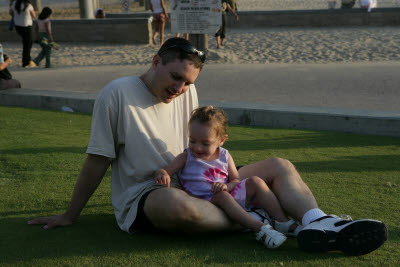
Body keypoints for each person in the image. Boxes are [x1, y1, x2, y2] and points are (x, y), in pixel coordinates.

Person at [28, 37, 387, 256]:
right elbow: (97, 159)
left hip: (205, 184)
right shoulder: (116, 94)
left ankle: (317, 222)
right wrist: (70, 214)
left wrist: (229, 179)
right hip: (150, 192)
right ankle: (264, 220)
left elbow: (204, 144)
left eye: (188, 83)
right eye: (175, 78)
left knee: (279, 163)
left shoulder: (188, 92)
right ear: (156, 62)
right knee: (175, 207)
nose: (180, 89)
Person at [155, 106, 302, 248]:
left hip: (227, 193)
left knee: (255, 181)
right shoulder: (187, 156)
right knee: (222, 196)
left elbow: (236, 179)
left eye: (205, 143)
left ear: (221, 140)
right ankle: (260, 229)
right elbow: (166, 170)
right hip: (206, 202)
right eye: (192, 141)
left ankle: (283, 222)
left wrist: (227, 186)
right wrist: (163, 173)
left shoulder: (225, 155)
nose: (197, 148)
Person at [9, 0, 37, 68]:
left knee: (26, 43)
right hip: (27, 26)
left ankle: (28, 60)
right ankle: (26, 62)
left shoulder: (15, 3)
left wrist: (18, 15)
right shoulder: (29, 5)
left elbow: (10, 13)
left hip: (18, 26)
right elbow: (34, 16)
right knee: (28, 44)